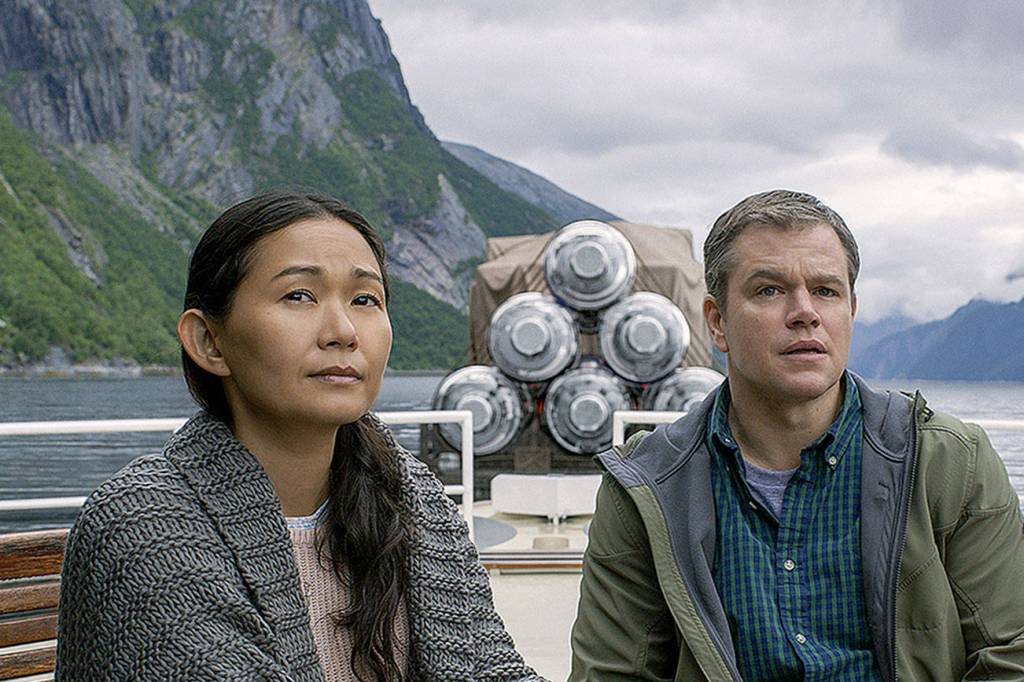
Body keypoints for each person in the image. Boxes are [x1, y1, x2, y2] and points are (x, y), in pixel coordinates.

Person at [56, 191, 544, 681]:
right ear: (208, 341)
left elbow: (496, 670)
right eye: (299, 296)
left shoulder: (414, 498)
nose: (343, 331)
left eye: (364, 299)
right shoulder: (143, 526)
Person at [570, 189, 1024, 680]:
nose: (805, 312)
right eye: (769, 290)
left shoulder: (950, 463)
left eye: (826, 291)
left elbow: (1011, 652)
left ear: (850, 312)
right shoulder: (647, 489)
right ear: (717, 323)